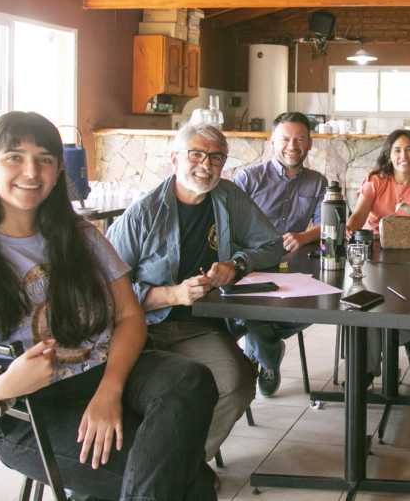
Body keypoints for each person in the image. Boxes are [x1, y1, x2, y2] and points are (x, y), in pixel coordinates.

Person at [0, 112, 218, 500]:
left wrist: (108, 390)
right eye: (14, 157)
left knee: (191, 379)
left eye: (44, 159)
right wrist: (2, 385)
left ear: (59, 171)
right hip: (28, 408)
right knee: (191, 483)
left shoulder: (81, 236)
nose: (31, 171)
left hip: (107, 374)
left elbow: (129, 316)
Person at [107, 122, 284, 461]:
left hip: (202, 328)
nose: (206, 165)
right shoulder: (143, 214)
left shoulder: (228, 197)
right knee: (161, 394)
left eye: (216, 158)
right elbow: (105, 289)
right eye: (196, 155)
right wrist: (171, 295)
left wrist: (237, 264)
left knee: (237, 384)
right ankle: (158, 470)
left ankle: (184, 466)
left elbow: (272, 245)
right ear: (175, 158)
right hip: (142, 330)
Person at [232, 112, 327, 396]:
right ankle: (269, 356)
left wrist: (304, 236)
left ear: (310, 143)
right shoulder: (248, 179)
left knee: (323, 305)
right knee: (245, 310)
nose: (292, 146)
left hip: (293, 267)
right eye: (285, 139)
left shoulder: (318, 182)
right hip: (252, 267)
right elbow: (228, 224)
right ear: (272, 142)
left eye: (299, 139)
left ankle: (259, 348)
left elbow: (328, 224)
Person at [346, 130, 410, 373]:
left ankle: (367, 372)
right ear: (389, 156)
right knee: (374, 297)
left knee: (385, 296)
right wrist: (348, 228)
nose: (404, 155)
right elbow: (358, 217)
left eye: (409, 149)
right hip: (374, 256)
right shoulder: (375, 182)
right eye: (397, 150)